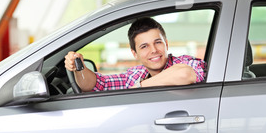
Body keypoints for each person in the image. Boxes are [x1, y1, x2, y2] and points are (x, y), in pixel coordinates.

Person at [64, 17, 206, 92]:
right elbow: (96, 85)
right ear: (134, 53)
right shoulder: (134, 75)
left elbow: (185, 74)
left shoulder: (185, 62)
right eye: (144, 46)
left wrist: (139, 88)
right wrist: (79, 67)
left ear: (166, 44)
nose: (154, 50)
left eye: (158, 42)